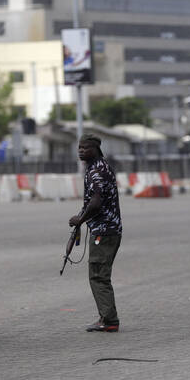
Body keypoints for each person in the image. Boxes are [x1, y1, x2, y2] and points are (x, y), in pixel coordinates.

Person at [69, 134, 122, 332]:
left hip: (104, 230)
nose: (82, 151)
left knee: (99, 275)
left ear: (96, 149)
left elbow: (96, 202)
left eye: (86, 148)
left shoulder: (97, 171)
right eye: (79, 148)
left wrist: (80, 219)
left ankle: (109, 320)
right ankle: (106, 317)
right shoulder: (99, 166)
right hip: (107, 228)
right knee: (100, 274)